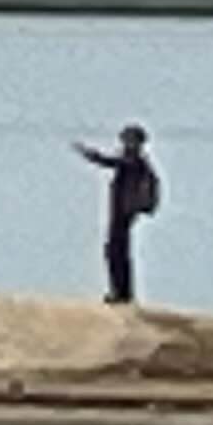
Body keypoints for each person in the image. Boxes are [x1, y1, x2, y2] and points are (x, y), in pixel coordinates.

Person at [71, 124, 160, 304]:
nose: (125, 143)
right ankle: (121, 292)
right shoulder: (136, 161)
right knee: (116, 251)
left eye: (128, 139)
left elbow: (111, 162)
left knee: (116, 252)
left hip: (123, 213)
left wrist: (90, 155)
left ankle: (121, 293)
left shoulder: (135, 161)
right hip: (122, 212)